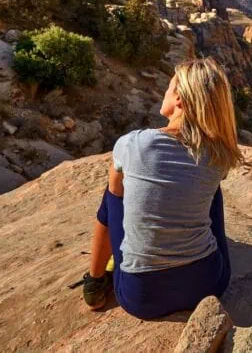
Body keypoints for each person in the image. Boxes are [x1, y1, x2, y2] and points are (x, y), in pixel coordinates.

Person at [83, 57, 243, 318]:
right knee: (211, 191)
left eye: (168, 88)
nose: (164, 93)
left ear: (179, 99)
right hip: (209, 286)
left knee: (113, 192)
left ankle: (95, 282)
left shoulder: (133, 144)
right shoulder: (218, 156)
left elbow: (116, 201)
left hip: (141, 297)